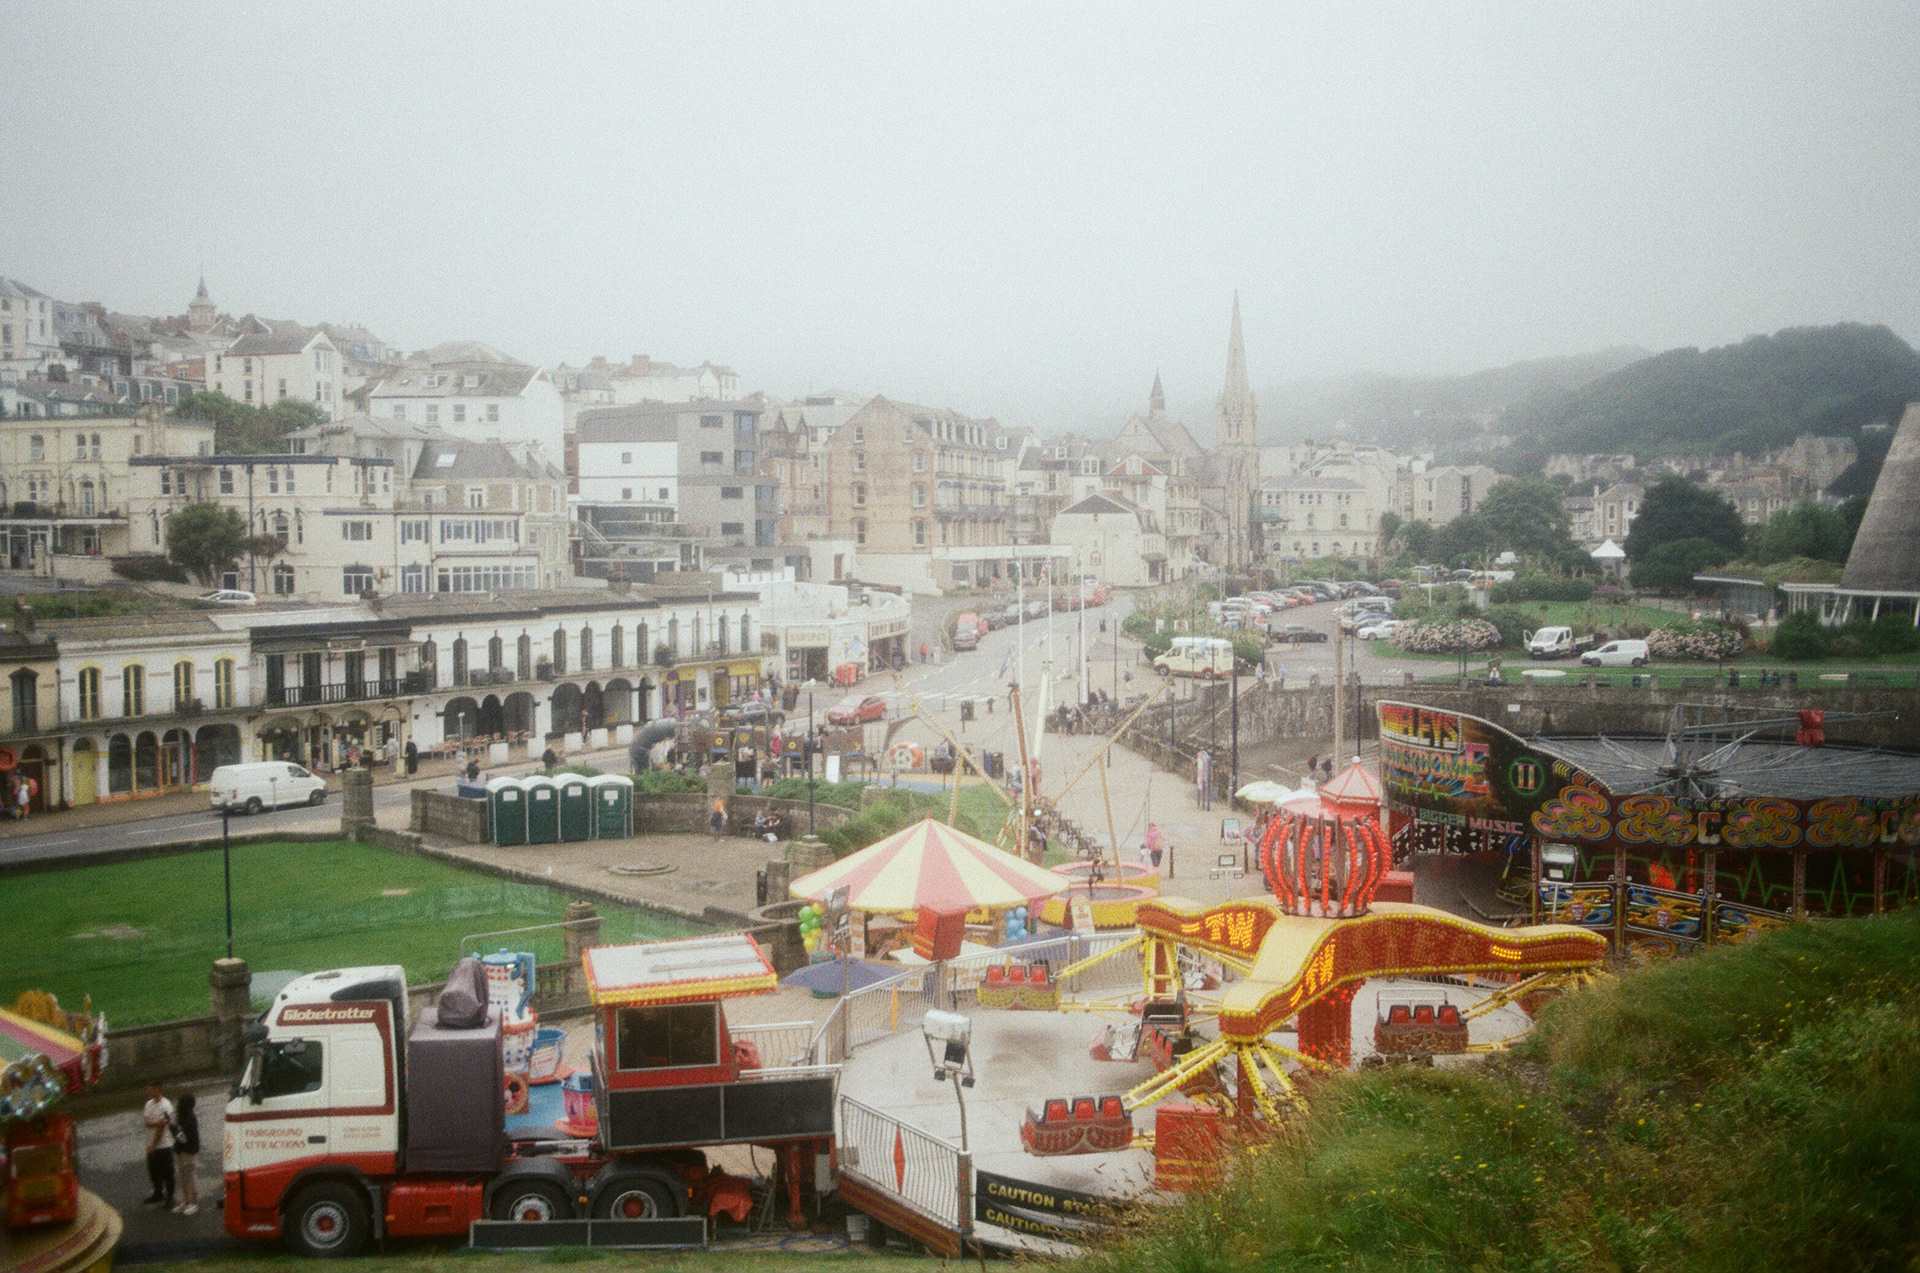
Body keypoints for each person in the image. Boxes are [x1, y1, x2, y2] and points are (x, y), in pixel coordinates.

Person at [141, 1084, 175, 1208]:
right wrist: (156, 1123)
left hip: (164, 1145)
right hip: (150, 1143)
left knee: (167, 1173)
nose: (149, 1092)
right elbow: (146, 1122)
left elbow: (162, 1128)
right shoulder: (148, 1104)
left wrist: (154, 1146)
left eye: (151, 1090)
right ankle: (158, 1193)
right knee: (154, 1171)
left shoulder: (166, 1105)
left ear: (158, 1089)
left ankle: (170, 1196)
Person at [171, 1092, 201, 1215]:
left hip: (188, 1150)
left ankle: (193, 1202)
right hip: (184, 1149)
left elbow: (183, 1138)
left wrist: (173, 1130)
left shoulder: (189, 1119)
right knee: (184, 1176)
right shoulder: (185, 1117)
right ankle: (186, 1200)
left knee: (190, 1175)